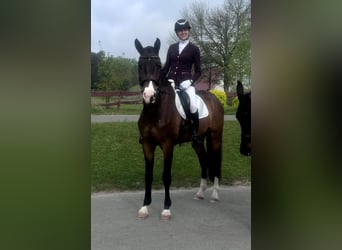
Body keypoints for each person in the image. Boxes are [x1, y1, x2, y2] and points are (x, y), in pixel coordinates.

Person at [162, 18, 202, 144]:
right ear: (177, 33)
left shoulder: (194, 49)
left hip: (186, 83)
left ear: (188, 31)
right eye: (180, 31)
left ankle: (195, 133)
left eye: (185, 30)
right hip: (171, 82)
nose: (183, 32)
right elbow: (166, 67)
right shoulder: (172, 48)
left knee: (193, 105)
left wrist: (190, 82)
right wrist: (159, 78)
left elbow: (198, 71)